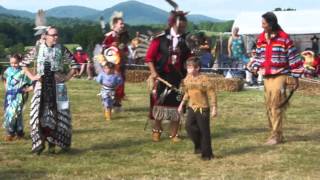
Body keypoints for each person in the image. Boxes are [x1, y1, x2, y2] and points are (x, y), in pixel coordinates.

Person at [21, 27, 79, 154]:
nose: (56, 37)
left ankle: (55, 144)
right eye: (53, 35)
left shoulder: (62, 48)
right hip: (41, 85)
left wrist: (66, 77)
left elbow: (75, 65)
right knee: (38, 114)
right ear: (46, 36)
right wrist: (33, 77)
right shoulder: (37, 48)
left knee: (62, 113)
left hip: (59, 86)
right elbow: (23, 64)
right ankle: (39, 143)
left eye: (57, 35)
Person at [251, 12, 304, 145]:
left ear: (271, 23)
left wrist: (296, 78)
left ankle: (276, 135)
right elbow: (258, 56)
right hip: (267, 75)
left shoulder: (284, 38)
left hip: (280, 74)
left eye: (264, 23)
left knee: (276, 104)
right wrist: (255, 67)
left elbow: (293, 58)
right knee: (269, 106)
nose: (262, 25)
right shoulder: (261, 38)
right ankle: (274, 133)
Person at [145, 10, 190, 142]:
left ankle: (174, 134)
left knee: (177, 106)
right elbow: (149, 58)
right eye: (180, 26)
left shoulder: (185, 41)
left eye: (184, 27)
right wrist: (153, 73)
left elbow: (189, 59)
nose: (182, 29)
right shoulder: (159, 39)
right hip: (161, 76)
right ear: (172, 24)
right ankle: (156, 131)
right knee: (159, 105)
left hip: (178, 78)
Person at [178, 57, 217, 160]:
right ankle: (199, 145)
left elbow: (212, 93)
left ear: (197, 68)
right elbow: (187, 92)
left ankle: (207, 154)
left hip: (203, 108)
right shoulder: (187, 78)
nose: (188, 69)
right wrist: (182, 104)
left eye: (191, 67)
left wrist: (214, 108)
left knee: (204, 131)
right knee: (189, 127)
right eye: (188, 67)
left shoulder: (204, 79)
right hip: (192, 107)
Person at [102, 11, 129, 112]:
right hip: (111, 65)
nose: (123, 25)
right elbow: (103, 49)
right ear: (114, 25)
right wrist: (111, 46)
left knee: (120, 84)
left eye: (123, 23)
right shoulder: (110, 36)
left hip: (121, 64)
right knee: (111, 85)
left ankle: (117, 104)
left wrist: (124, 51)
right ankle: (109, 104)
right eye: (120, 23)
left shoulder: (124, 36)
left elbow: (125, 50)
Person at [2, 54, 33, 141]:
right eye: (11, 63)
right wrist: (6, 88)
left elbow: (33, 83)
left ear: (20, 62)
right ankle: (16, 132)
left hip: (19, 96)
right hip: (9, 95)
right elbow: (4, 78)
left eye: (15, 63)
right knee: (12, 114)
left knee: (14, 113)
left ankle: (13, 132)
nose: (13, 65)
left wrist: (27, 90)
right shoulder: (8, 70)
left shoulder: (24, 72)